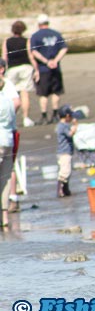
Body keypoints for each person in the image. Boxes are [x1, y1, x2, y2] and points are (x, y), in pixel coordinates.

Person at [30, 14, 68, 125]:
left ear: (39, 24)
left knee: (44, 94)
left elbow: (34, 52)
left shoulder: (36, 36)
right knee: (56, 91)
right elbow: (64, 48)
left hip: (43, 68)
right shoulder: (56, 34)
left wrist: (46, 62)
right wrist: (55, 60)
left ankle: (44, 115)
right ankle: (55, 114)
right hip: (55, 67)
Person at [2, 20, 38, 127]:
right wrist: (36, 69)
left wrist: (3, 71)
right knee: (24, 93)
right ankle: (26, 118)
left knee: (11, 94)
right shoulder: (26, 41)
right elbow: (30, 55)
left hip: (12, 69)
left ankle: (10, 117)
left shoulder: (7, 41)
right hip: (25, 67)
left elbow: (4, 58)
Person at [0, 77, 16, 228]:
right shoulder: (8, 101)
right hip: (8, 140)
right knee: (5, 179)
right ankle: (4, 217)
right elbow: (13, 122)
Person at [56, 104, 77, 198]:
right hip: (64, 152)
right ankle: (60, 190)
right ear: (67, 116)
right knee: (64, 171)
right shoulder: (62, 126)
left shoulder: (63, 125)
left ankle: (66, 189)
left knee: (67, 171)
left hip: (66, 151)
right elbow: (69, 134)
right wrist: (75, 126)